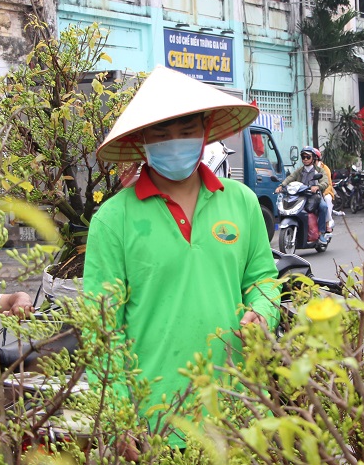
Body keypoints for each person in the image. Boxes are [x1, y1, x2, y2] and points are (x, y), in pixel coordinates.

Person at [84, 66, 280, 456]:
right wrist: (119, 415)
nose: (175, 141)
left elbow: (263, 278)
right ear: (142, 141)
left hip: (237, 410)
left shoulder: (240, 201)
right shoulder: (113, 220)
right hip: (155, 421)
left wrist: (262, 310)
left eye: (186, 128)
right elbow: (101, 330)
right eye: (161, 133)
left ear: (206, 129)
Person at [274, 147, 330, 242]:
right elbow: (290, 178)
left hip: (315, 196)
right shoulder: (300, 170)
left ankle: (321, 233)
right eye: (303, 157)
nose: (305, 159)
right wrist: (281, 186)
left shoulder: (319, 171)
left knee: (323, 207)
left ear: (313, 158)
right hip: (301, 195)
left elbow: (325, 182)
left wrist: (318, 187)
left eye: (308, 157)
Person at [313, 148, 335, 233]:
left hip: (324, 191)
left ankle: (327, 223)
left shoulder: (324, 168)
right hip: (311, 191)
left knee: (327, 199)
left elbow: (328, 183)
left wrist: (323, 192)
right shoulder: (307, 168)